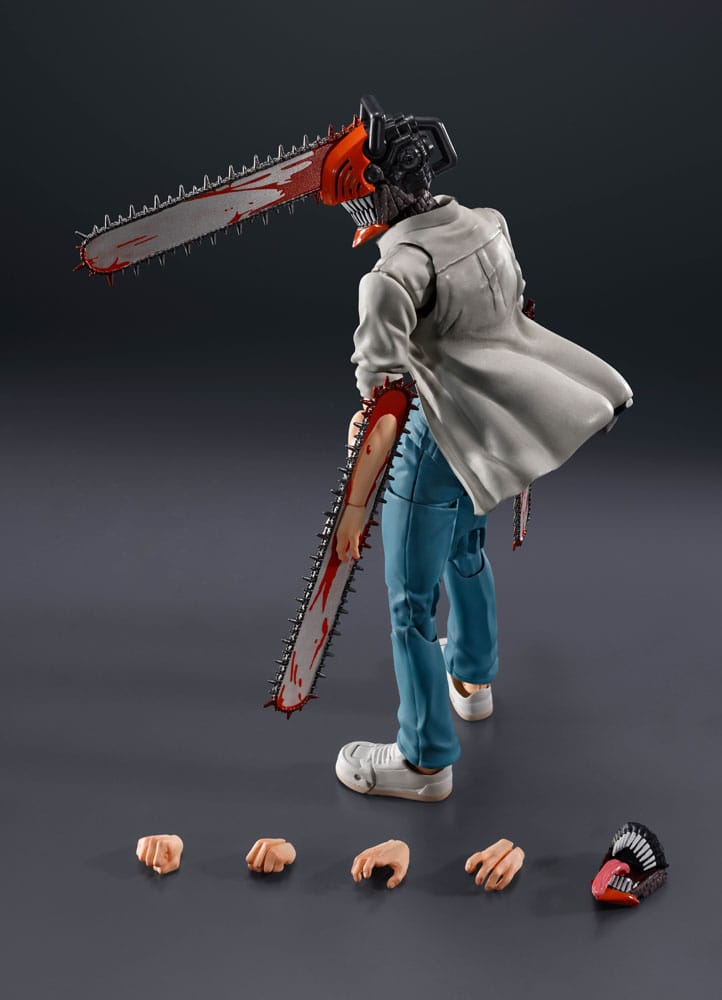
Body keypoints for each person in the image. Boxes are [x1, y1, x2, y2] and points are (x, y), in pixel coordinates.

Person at [332, 97, 632, 803]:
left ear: (371, 198)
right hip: (488, 433)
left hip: (432, 440)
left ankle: (423, 760)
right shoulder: (488, 224)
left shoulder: (391, 276)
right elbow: (516, 311)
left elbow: (382, 386)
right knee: (466, 550)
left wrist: (363, 446)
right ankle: (472, 677)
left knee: (410, 603)